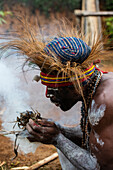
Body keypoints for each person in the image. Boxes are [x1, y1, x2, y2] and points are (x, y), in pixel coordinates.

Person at [2, 22, 113, 169]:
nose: (48, 95)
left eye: (54, 90)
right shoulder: (96, 86)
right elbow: (93, 134)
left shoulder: (105, 101)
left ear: (75, 85)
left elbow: (103, 167)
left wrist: (57, 139)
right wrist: (60, 130)